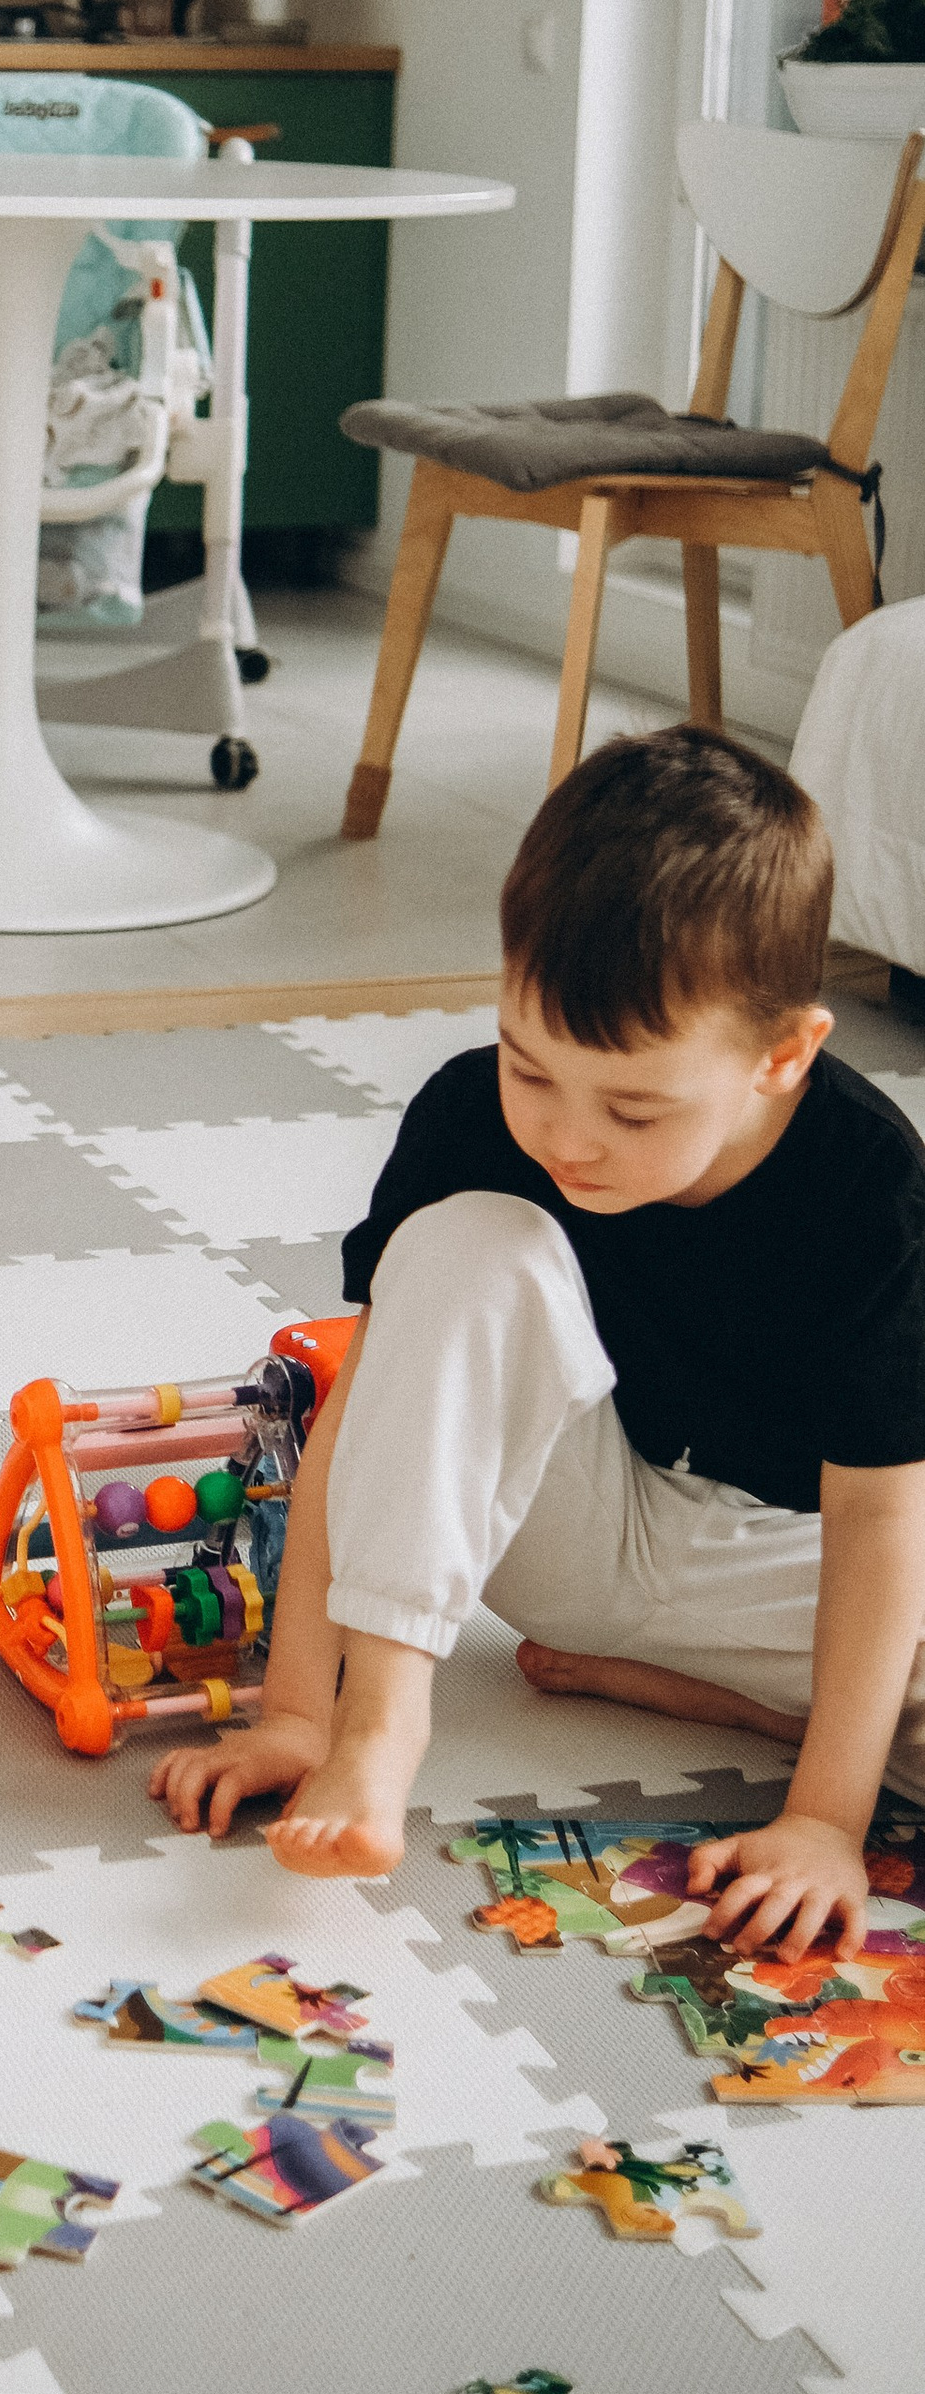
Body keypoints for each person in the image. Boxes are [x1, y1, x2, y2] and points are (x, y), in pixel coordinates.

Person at [152, 726, 925, 1956]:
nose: (566, 1138)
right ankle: (385, 1728)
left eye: (632, 1107)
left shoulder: (869, 1184)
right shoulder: (472, 1119)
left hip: (789, 1569)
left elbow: (882, 1521)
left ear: (783, 1058)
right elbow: (374, 1409)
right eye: (530, 1067)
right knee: (461, 1243)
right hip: (561, 1536)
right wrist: (304, 1713)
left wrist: (824, 1820)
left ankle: (691, 1695)